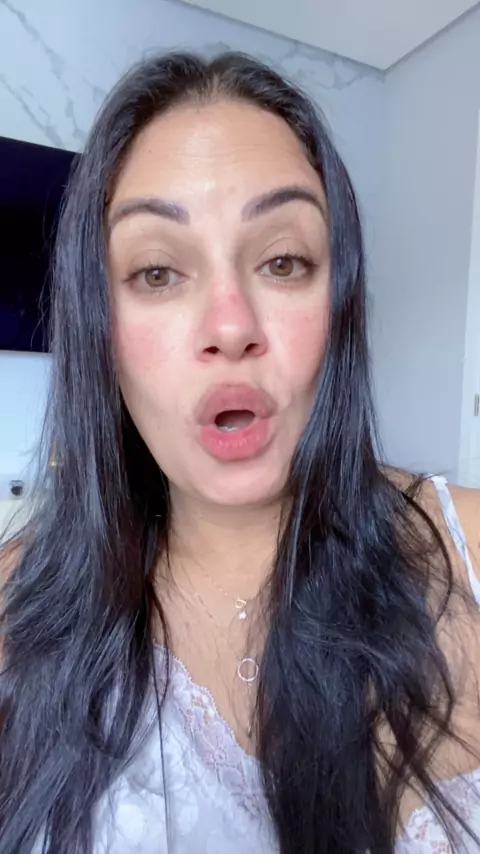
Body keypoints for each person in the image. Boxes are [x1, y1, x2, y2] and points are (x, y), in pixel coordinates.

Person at [0, 51, 480, 854]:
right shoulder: (18, 601)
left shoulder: (470, 552)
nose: (231, 326)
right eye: (157, 271)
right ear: (98, 327)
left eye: (284, 262)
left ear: (340, 302)